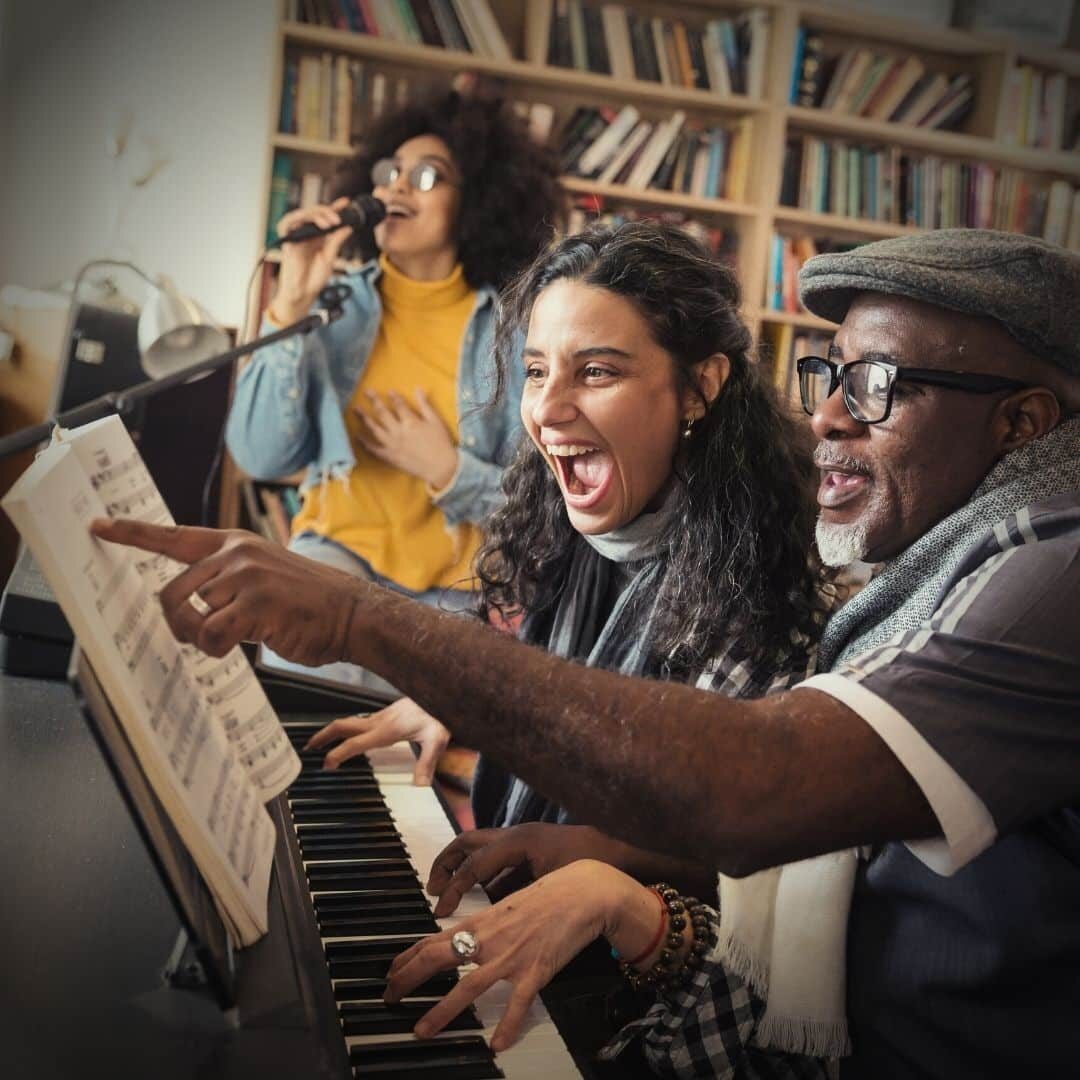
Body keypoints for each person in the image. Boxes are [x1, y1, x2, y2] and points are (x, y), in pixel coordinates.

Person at [94, 228, 1080, 1077]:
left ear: (1023, 422)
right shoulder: (952, 564)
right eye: (830, 376)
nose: (825, 415)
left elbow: (763, 792)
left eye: (876, 386)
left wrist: (372, 624)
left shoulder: (1049, 569)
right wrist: (464, 697)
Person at [225, 91, 561, 693]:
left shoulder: (517, 336)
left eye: (429, 175)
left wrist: (448, 470)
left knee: (409, 765)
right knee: (297, 709)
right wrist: (292, 303)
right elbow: (259, 454)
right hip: (335, 558)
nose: (398, 186)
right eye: (390, 172)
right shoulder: (335, 308)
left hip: (452, 595)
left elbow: (540, 518)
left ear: (476, 202)